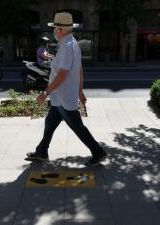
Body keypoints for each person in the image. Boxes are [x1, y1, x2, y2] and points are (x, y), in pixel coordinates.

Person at [26, 12, 107, 167]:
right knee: (50, 123)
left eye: (55, 28)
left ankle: (98, 152)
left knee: (77, 127)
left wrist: (45, 93)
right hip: (60, 97)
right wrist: (80, 91)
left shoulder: (68, 45)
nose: (54, 31)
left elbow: (63, 74)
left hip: (64, 97)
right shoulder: (69, 43)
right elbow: (79, 69)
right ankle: (42, 151)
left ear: (60, 30)